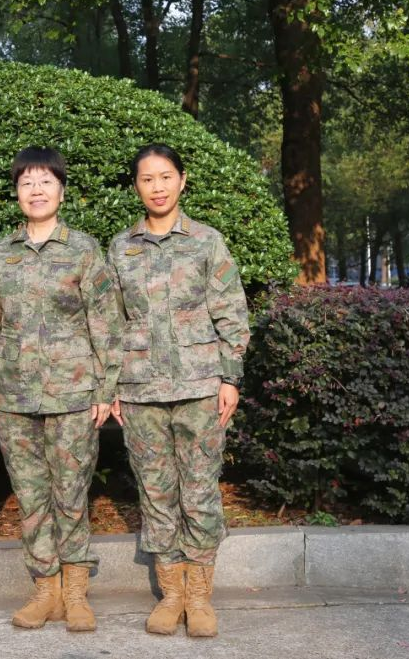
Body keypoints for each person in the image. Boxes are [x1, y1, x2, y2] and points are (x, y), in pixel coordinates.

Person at [106, 143, 250, 638]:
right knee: (156, 493)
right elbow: (109, 323)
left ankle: (199, 597)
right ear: (136, 186)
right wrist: (112, 385)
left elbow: (232, 313)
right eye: (147, 179)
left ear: (182, 180)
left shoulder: (207, 242)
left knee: (200, 492)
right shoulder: (120, 248)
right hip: (140, 390)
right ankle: (171, 596)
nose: (158, 187)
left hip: (199, 387)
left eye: (166, 176)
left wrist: (230, 378)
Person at [0, 146, 123, 633]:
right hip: (15, 397)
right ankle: (45, 590)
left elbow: (105, 322)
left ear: (62, 190)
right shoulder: (1, 253)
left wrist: (105, 388)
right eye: (27, 183)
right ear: (16, 193)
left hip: (73, 395)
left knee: (71, 493)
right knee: (31, 496)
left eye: (45, 182)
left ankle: (76, 592)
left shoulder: (83, 250)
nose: (36, 191)